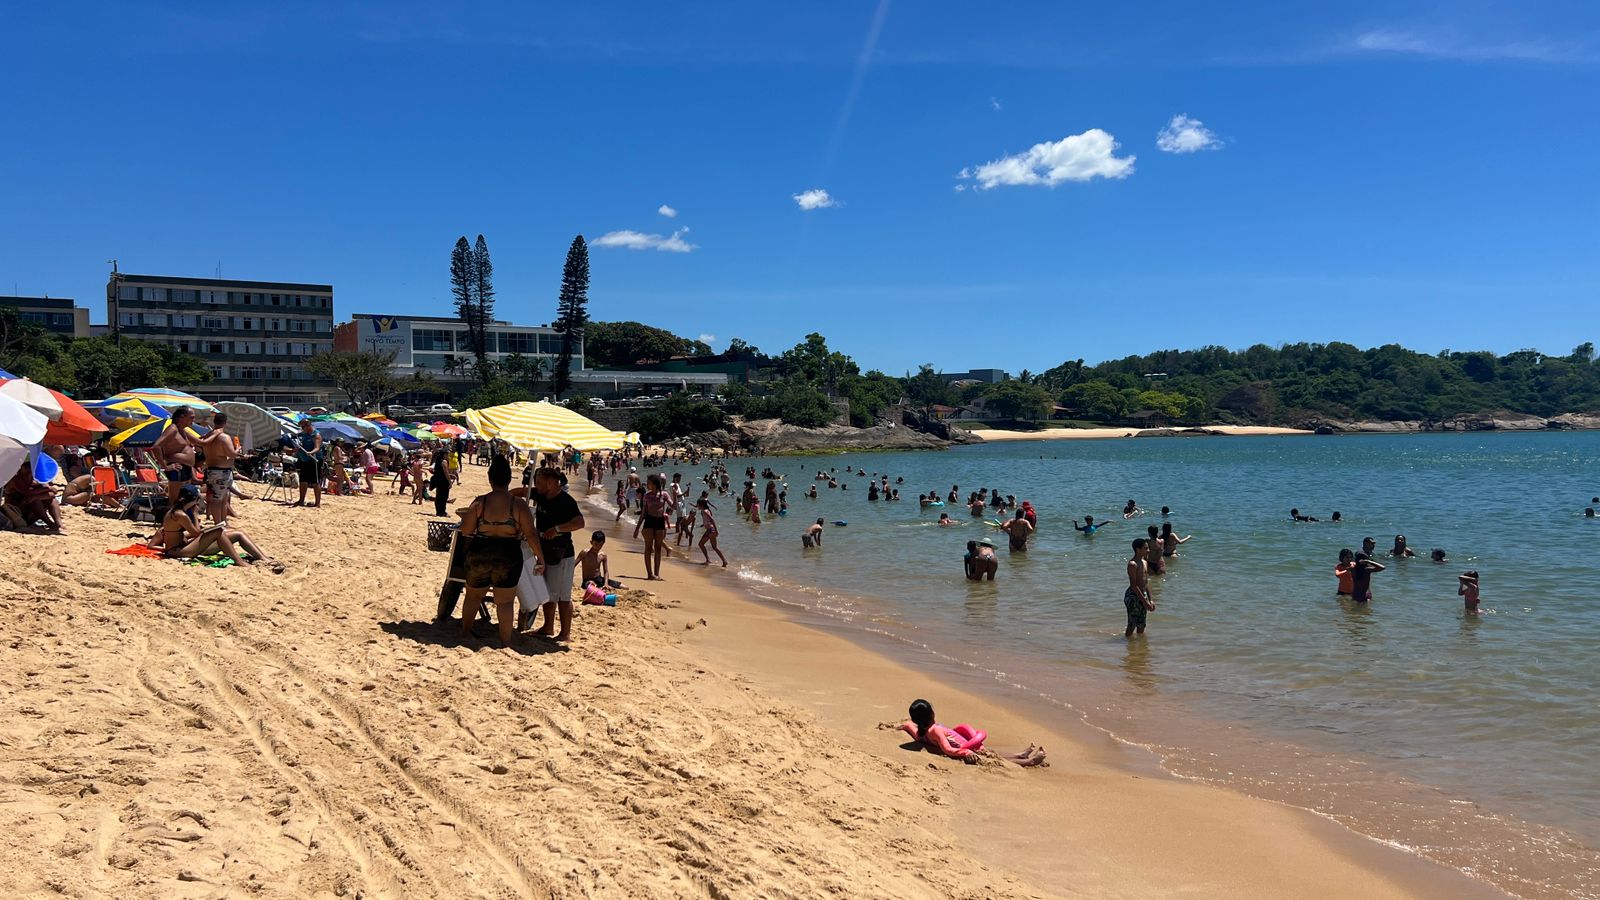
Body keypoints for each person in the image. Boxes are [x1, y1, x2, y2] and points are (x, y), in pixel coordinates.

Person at [456, 456, 540, 645]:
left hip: (481, 551)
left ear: (490, 478)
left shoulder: (480, 502)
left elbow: (467, 530)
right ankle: (505, 641)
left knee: (473, 597)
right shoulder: (518, 504)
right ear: (509, 479)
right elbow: (531, 535)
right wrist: (540, 558)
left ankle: (464, 633)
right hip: (508, 554)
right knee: (505, 602)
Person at [897, 699, 1045, 767]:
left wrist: (906, 726)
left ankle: (1020, 754)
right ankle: (1029, 761)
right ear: (932, 714)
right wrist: (965, 753)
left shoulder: (923, 733)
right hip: (969, 748)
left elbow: (914, 731)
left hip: (971, 746)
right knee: (998, 759)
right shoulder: (935, 730)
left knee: (993, 752)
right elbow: (947, 749)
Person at [153, 485, 274, 567]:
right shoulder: (180, 515)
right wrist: (195, 515)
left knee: (238, 533)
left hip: (182, 547)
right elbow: (196, 533)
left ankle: (263, 558)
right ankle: (239, 561)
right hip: (179, 551)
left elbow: (182, 533)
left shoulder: (175, 511)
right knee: (218, 532)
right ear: (195, 499)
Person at [529, 466, 585, 643]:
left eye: (539, 482)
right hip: (544, 552)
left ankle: (565, 633)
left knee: (562, 596)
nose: (536, 485)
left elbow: (580, 522)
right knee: (547, 593)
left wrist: (558, 529)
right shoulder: (540, 495)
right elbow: (522, 491)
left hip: (562, 554)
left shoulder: (566, 501)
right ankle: (548, 626)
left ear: (551, 483)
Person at [196, 412, 240, 524]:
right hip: (221, 471)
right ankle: (218, 523)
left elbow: (199, 447)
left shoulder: (208, 436)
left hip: (211, 469)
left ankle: (223, 522)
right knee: (218, 500)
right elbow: (232, 454)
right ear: (225, 423)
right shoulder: (224, 437)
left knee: (222, 498)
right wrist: (238, 449)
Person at [152, 405, 200, 507]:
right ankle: (168, 520)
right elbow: (156, 446)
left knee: (182, 497)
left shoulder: (182, 430)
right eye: (191, 417)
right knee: (174, 499)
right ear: (181, 417)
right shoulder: (173, 429)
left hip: (185, 468)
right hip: (177, 468)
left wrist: (216, 432)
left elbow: (201, 442)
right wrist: (165, 466)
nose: (193, 420)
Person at [4, 460, 62, 532]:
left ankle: (59, 524)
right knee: (35, 501)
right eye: (27, 472)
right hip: (16, 513)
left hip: (31, 513)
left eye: (31, 472)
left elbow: (52, 493)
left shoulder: (37, 479)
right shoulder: (15, 480)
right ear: (21, 471)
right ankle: (50, 523)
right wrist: (42, 492)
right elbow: (26, 492)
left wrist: (36, 495)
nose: (29, 475)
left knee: (52, 500)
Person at [633, 473, 669, 580]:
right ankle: (649, 574)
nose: (647, 484)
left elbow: (674, 506)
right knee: (648, 547)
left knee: (658, 548)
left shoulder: (664, 495)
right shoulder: (646, 496)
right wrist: (637, 528)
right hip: (649, 521)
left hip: (660, 521)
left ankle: (656, 574)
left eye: (648, 483)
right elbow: (643, 513)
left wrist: (675, 495)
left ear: (654, 484)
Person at [1125, 538, 1154, 637]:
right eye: (1146, 548)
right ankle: (1128, 645)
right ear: (1138, 550)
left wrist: (1151, 600)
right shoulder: (1132, 564)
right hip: (1133, 596)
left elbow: (1146, 582)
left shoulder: (1144, 562)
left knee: (1142, 625)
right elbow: (1133, 585)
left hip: (1143, 594)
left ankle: (1140, 648)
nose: (1148, 550)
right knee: (1132, 624)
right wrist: (1145, 602)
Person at [291, 419, 323, 508]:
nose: (302, 429)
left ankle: (318, 503)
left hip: (314, 460)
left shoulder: (316, 435)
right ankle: (301, 500)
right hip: (305, 460)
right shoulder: (304, 435)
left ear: (308, 425)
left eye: (302, 427)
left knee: (315, 482)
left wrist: (311, 452)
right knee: (303, 480)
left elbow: (317, 447)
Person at [697, 497, 728, 567]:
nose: (697, 505)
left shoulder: (705, 511)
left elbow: (712, 520)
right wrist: (703, 525)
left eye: (698, 504)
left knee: (701, 544)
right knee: (714, 547)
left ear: (701, 505)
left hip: (710, 530)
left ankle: (708, 560)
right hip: (711, 530)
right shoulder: (705, 511)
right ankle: (724, 561)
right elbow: (707, 520)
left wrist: (716, 531)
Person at [429, 446, 452, 517]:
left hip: (438, 481)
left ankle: (438, 511)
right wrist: (450, 482)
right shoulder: (444, 461)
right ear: (444, 454)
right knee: (444, 497)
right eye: (447, 454)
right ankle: (442, 512)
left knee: (438, 496)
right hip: (443, 481)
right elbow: (446, 473)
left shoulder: (437, 461)